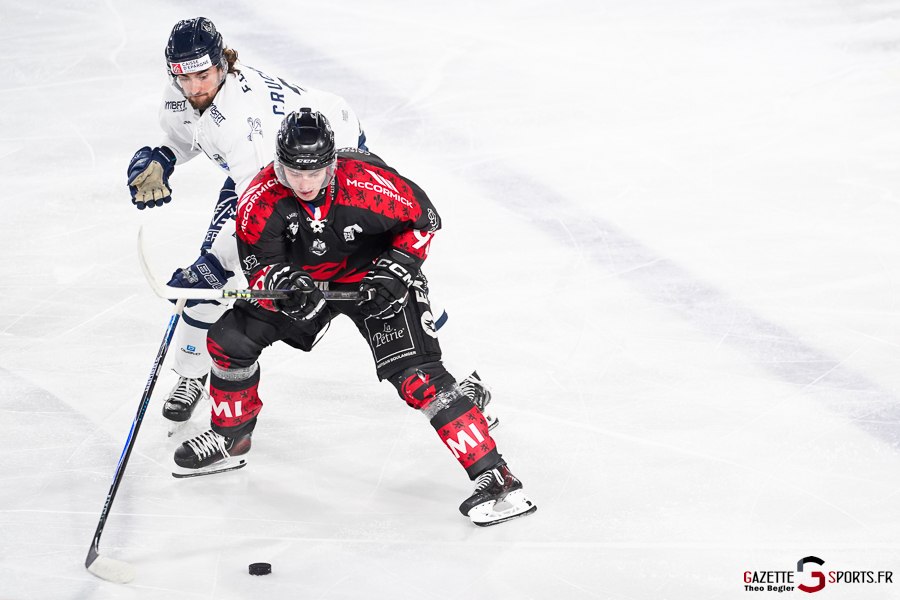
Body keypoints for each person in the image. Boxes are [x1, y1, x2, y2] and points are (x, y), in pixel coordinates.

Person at [125, 17, 496, 435]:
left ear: (222, 66)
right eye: (184, 76)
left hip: (323, 154)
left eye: (203, 75)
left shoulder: (246, 124)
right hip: (258, 169)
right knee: (210, 275)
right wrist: (164, 157)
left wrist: (213, 263)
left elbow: (258, 219)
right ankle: (192, 374)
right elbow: (189, 133)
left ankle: (463, 373)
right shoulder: (184, 92)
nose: (193, 87)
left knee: (390, 272)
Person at [173, 109, 535, 526]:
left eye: (314, 173)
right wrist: (285, 290)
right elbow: (261, 267)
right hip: (309, 286)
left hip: (376, 281)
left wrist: (398, 269)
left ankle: (496, 475)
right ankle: (231, 436)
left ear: (332, 164)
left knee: (419, 378)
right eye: (293, 173)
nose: (304, 184)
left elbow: (425, 220)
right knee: (229, 339)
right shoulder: (260, 198)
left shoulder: (368, 184)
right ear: (278, 164)